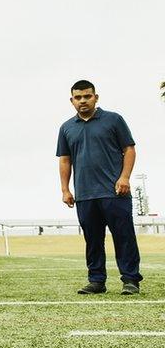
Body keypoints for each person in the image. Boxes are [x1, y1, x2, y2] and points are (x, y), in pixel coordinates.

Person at [56, 80, 140, 295]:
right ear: (72, 100)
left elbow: (129, 149)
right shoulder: (66, 128)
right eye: (78, 97)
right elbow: (65, 160)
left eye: (87, 96)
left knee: (124, 237)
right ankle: (96, 281)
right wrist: (65, 189)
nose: (83, 101)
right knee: (93, 240)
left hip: (115, 192)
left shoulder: (113, 120)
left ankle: (130, 280)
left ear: (96, 97)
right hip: (85, 195)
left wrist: (125, 177)